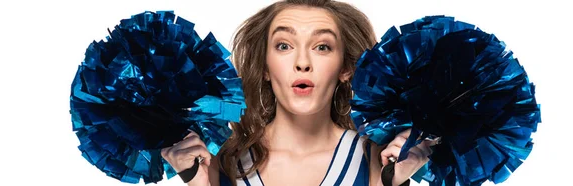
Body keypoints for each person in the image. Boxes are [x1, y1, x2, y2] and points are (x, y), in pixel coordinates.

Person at [161, 0, 435, 185]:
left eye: (322, 47)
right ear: (265, 67)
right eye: (284, 46)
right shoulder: (223, 162)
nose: (302, 62)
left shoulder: (375, 159)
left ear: (346, 68)